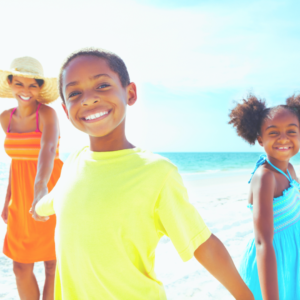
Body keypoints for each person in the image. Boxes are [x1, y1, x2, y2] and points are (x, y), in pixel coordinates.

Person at [34, 48, 253, 300]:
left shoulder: (156, 172)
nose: (88, 99)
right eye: (74, 93)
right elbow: (53, 201)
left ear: (130, 93)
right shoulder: (74, 163)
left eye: (102, 85)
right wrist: (35, 206)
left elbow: (202, 243)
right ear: (65, 109)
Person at [0, 56, 63, 300]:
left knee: (52, 263)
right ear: (11, 83)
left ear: (39, 88)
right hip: (21, 197)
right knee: (20, 266)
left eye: (32, 85)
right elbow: (17, 163)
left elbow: (48, 150)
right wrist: (7, 201)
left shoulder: (47, 114)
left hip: (50, 190)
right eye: (20, 84)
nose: (26, 91)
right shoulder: (6, 118)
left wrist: (40, 190)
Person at [229, 95, 300, 300]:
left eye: (292, 131)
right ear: (260, 139)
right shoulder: (265, 177)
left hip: (290, 262)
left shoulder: (290, 171)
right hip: (271, 271)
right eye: (273, 132)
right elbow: (263, 242)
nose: (283, 138)